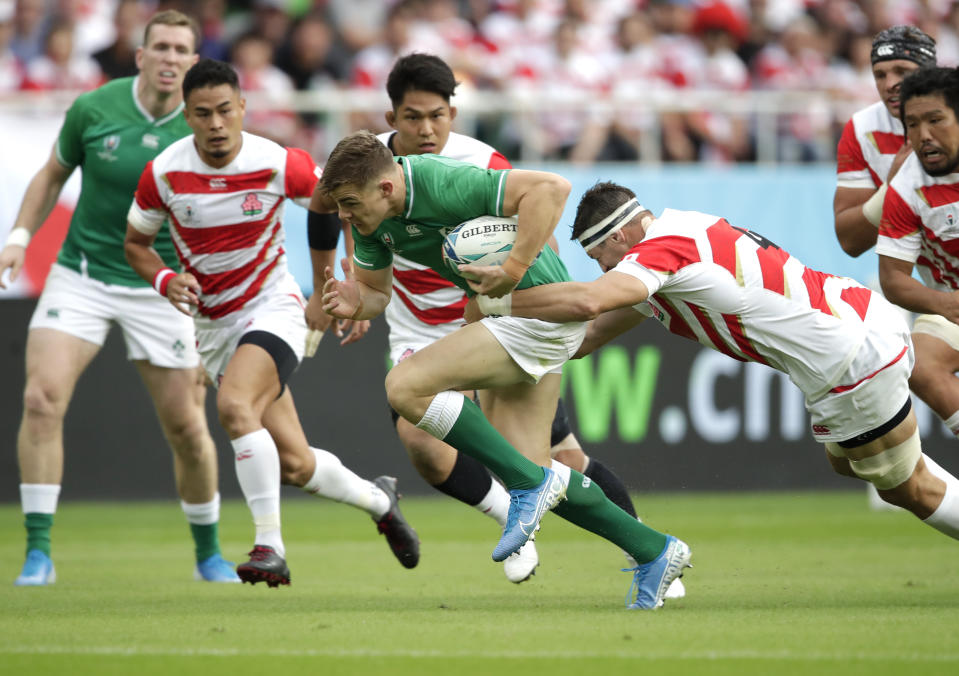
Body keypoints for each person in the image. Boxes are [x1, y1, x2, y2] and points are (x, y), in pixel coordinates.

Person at [306, 52, 658, 587]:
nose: (426, 129)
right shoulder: (366, 190)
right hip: (447, 320)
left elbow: (548, 195)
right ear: (391, 118)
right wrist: (352, 300)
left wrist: (514, 272)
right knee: (530, 461)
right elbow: (374, 290)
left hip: (506, 311)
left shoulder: (457, 172)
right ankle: (650, 550)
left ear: (452, 113)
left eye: (437, 116)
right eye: (412, 117)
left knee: (412, 392)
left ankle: (529, 493)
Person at [465, 181, 959, 553]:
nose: (602, 269)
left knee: (910, 487)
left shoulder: (658, 252)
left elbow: (590, 304)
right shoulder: (677, 239)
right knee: (849, 461)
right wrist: (496, 351)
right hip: (859, 317)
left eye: (600, 255)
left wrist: (502, 300)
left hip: (848, 361)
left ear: (623, 233)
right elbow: (589, 337)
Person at [123, 59, 419, 588]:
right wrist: (166, 280)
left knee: (235, 407)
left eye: (224, 111)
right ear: (185, 116)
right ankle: (380, 500)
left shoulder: (275, 161)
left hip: (271, 307)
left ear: (242, 108)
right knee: (295, 465)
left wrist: (335, 285)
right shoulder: (164, 173)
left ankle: (269, 546)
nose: (215, 124)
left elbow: (333, 201)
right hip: (213, 327)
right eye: (201, 114)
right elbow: (136, 245)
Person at [0, 10, 238, 587]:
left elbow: (225, 226)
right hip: (82, 272)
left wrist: (213, 322)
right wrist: (18, 237)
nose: (170, 58)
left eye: (182, 49)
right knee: (41, 398)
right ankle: (38, 552)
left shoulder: (205, 126)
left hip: (164, 286)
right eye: (160, 47)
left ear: (193, 60)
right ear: (140, 55)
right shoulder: (95, 107)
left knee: (186, 425)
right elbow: (51, 176)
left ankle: (208, 554)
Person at [878, 66, 959, 450]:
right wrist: (945, 303)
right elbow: (893, 278)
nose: (923, 135)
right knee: (921, 365)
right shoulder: (907, 188)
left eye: (935, 120)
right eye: (912, 124)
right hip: (953, 302)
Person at [833, 25, 936, 258]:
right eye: (880, 75)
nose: (890, 84)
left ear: (931, 74)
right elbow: (850, 240)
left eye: (903, 71)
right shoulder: (862, 128)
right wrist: (891, 189)